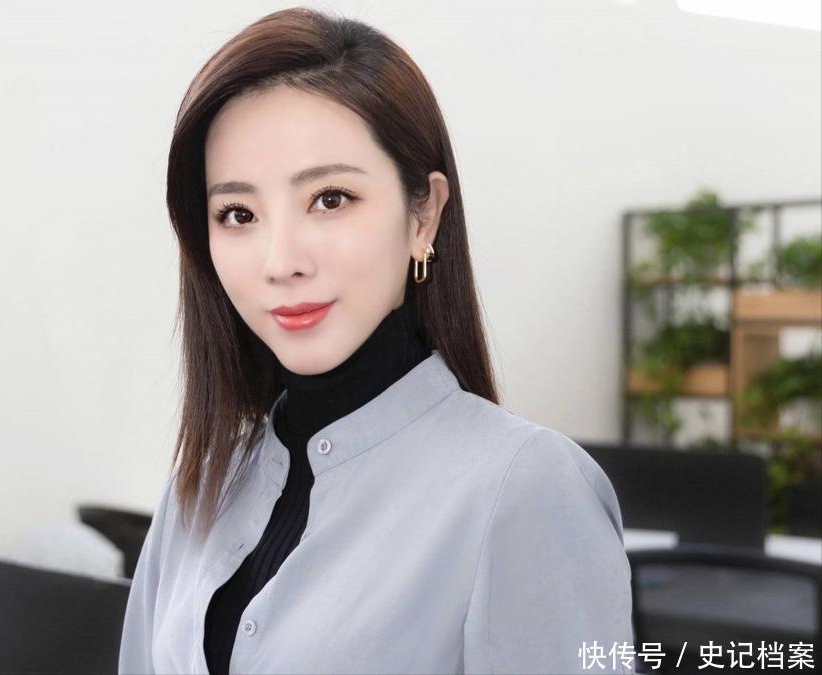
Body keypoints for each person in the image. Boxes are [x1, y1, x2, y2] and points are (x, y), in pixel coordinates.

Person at [119, 6, 633, 674]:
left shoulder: (527, 487)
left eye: (330, 199)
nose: (281, 261)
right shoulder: (205, 477)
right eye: (238, 213)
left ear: (424, 215)